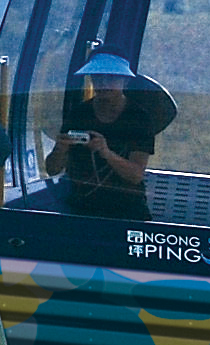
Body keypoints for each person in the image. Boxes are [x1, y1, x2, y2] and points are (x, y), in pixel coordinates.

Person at [45, 53, 159, 220]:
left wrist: (105, 152)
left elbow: (136, 175)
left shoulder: (139, 118)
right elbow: (52, 169)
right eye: (98, 78)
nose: (104, 84)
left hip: (127, 210)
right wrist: (60, 149)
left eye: (111, 78)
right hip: (80, 208)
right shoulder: (78, 114)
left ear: (125, 81)